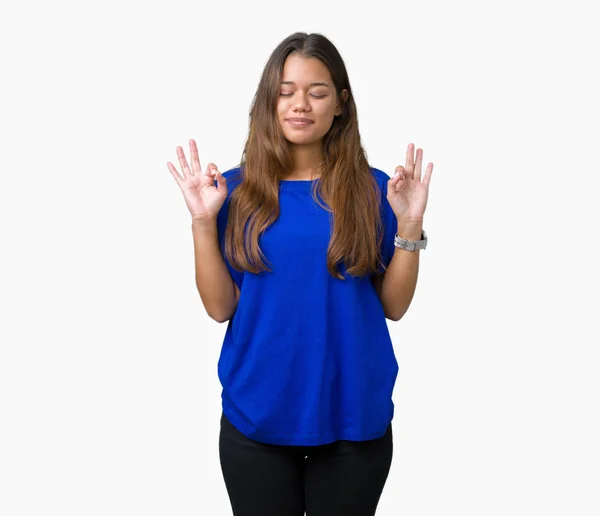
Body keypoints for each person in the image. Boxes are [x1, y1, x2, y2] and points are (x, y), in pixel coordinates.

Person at [167, 32, 434, 516]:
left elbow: (393, 307)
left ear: (341, 104)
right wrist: (203, 222)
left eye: (317, 92)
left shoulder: (377, 191)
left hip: (354, 414)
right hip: (258, 416)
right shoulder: (230, 191)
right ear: (268, 101)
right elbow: (219, 307)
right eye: (286, 91)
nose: (300, 105)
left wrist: (410, 225)